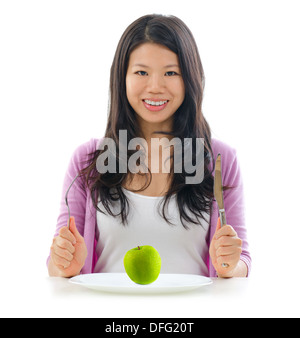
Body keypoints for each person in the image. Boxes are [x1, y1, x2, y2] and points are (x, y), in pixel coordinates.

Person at [47, 14, 251, 279]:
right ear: (122, 78)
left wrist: (230, 263)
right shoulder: (88, 159)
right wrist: (65, 264)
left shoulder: (218, 160)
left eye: (171, 73)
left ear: (190, 79)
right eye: (142, 72)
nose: (155, 87)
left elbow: (241, 260)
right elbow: (56, 263)